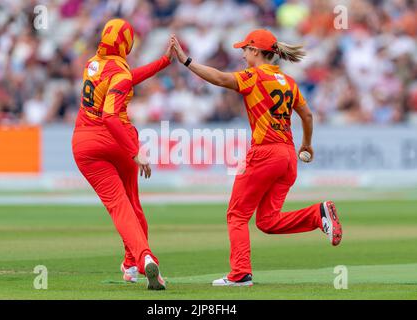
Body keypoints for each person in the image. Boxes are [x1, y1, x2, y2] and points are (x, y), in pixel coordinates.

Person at [170, 29, 343, 286]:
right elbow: (307, 115)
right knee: (267, 221)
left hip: (265, 154)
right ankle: (318, 215)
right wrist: (306, 144)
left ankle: (240, 274)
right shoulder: (288, 81)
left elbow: (218, 78)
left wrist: (186, 61)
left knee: (237, 215)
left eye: (245, 49)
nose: (242, 53)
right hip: (287, 157)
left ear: (256, 51)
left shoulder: (254, 77)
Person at [72, 18, 174, 290]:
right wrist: (134, 152)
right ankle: (143, 258)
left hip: (85, 143)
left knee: (119, 207)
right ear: (126, 43)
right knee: (132, 205)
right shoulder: (120, 71)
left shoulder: (92, 63)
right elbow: (110, 117)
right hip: (119, 139)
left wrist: (163, 62)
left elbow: (128, 80)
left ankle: (134, 264)